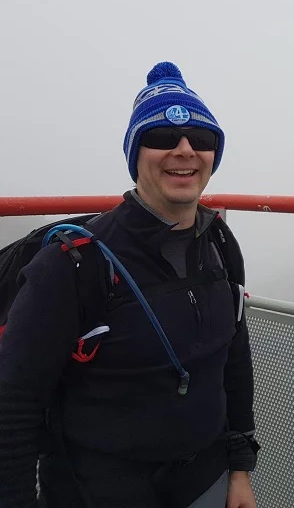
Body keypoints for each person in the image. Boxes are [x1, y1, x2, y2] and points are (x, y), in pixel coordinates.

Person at [0, 62, 259, 507]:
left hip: (205, 481)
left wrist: (239, 469)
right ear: (134, 154)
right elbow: (11, 405)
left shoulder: (219, 242)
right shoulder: (76, 261)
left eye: (201, 140)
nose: (184, 151)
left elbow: (231, 358)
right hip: (97, 491)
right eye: (161, 138)